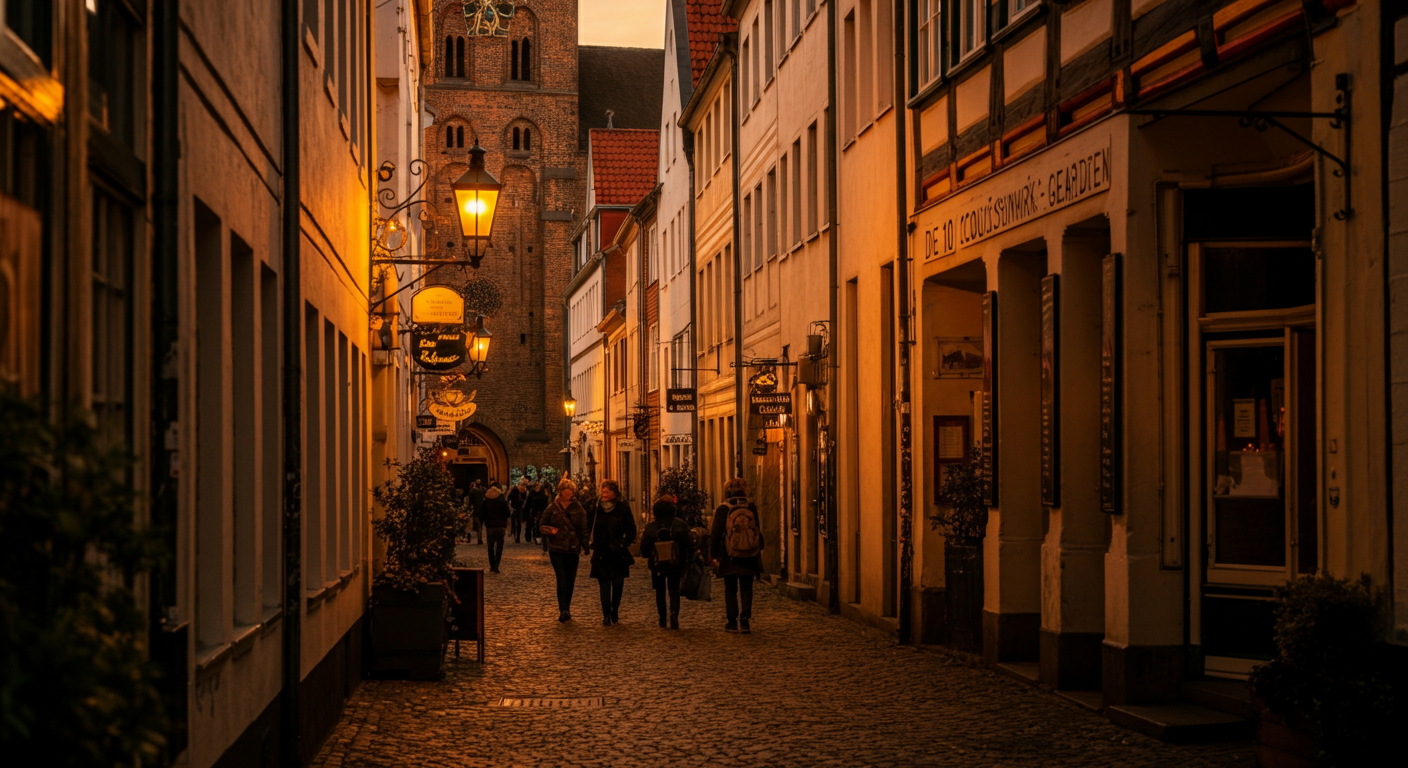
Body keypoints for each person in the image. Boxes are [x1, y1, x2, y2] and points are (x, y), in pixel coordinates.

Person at [710, 477, 764, 634]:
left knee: (730, 588)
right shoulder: (750, 506)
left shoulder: (723, 509)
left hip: (729, 555)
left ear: (726, 491)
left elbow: (715, 534)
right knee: (747, 587)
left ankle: (732, 622)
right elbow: (757, 529)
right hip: (749, 554)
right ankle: (745, 621)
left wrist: (714, 555)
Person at [587, 480, 637, 626]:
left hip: (618, 552)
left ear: (614, 493)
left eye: (607, 491)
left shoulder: (622, 507)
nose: (604, 494)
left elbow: (631, 528)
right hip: (601, 551)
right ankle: (606, 615)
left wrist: (625, 543)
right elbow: (589, 526)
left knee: (618, 583)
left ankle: (615, 611)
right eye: (603, 491)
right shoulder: (596, 508)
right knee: (604, 583)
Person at [640, 498, 693, 629]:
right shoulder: (680, 525)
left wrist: (649, 555)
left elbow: (644, 548)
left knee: (660, 591)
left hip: (657, 564)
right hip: (675, 563)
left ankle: (662, 618)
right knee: (674, 590)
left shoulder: (651, 527)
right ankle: (674, 614)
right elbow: (688, 544)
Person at [540, 477, 588, 621]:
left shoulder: (578, 508)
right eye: (566, 491)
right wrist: (551, 530)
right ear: (561, 492)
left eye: (571, 491)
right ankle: (563, 609)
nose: (569, 494)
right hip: (556, 548)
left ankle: (567, 606)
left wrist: (585, 545)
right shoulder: (553, 507)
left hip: (572, 548)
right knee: (561, 579)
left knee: (570, 579)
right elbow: (542, 524)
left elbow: (583, 528)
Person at [479, 482, 511, 573]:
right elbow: (507, 513)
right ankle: (497, 565)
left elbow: (482, 513)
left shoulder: (486, 499)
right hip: (500, 525)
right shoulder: (501, 499)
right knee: (499, 546)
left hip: (490, 525)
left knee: (490, 546)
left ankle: (492, 565)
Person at [526, 480, 549, 547]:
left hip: (542, 510)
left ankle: (539, 537)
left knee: (540, 523)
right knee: (534, 524)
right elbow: (528, 502)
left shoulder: (542, 492)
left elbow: (545, 500)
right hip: (534, 510)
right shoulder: (532, 493)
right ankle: (536, 537)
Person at [507, 478, 528, 542]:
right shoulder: (514, 490)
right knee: (514, 522)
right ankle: (514, 534)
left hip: (519, 508)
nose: (522, 487)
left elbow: (525, 500)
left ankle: (517, 537)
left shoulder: (524, 492)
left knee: (518, 523)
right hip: (514, 508)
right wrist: (510, 506)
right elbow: (509, 498)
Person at [468, 479, 487, 544]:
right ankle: (479, 538)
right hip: (482, 509)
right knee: (480, 524)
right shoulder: (483, 491)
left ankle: (478, 538)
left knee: (476, 524)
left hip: (476, 510)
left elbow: (470, 502)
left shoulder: (472, 492)